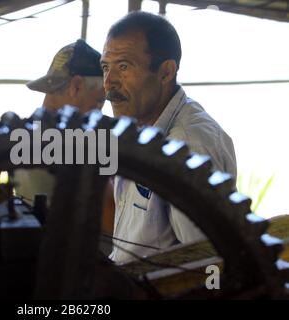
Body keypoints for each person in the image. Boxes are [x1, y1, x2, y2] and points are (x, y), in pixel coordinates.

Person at [100, 12, 237, 264]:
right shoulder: (138, 126)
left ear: (166, 72)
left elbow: (207, 265)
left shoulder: (191, 144)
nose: (109, 82)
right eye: (106, 67)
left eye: (124, 66)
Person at [14, 39, 106, 206]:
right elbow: (109, 210)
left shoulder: (25, 133)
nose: (99, 112)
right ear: (76, 86)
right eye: (99, 101)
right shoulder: (77, 142)